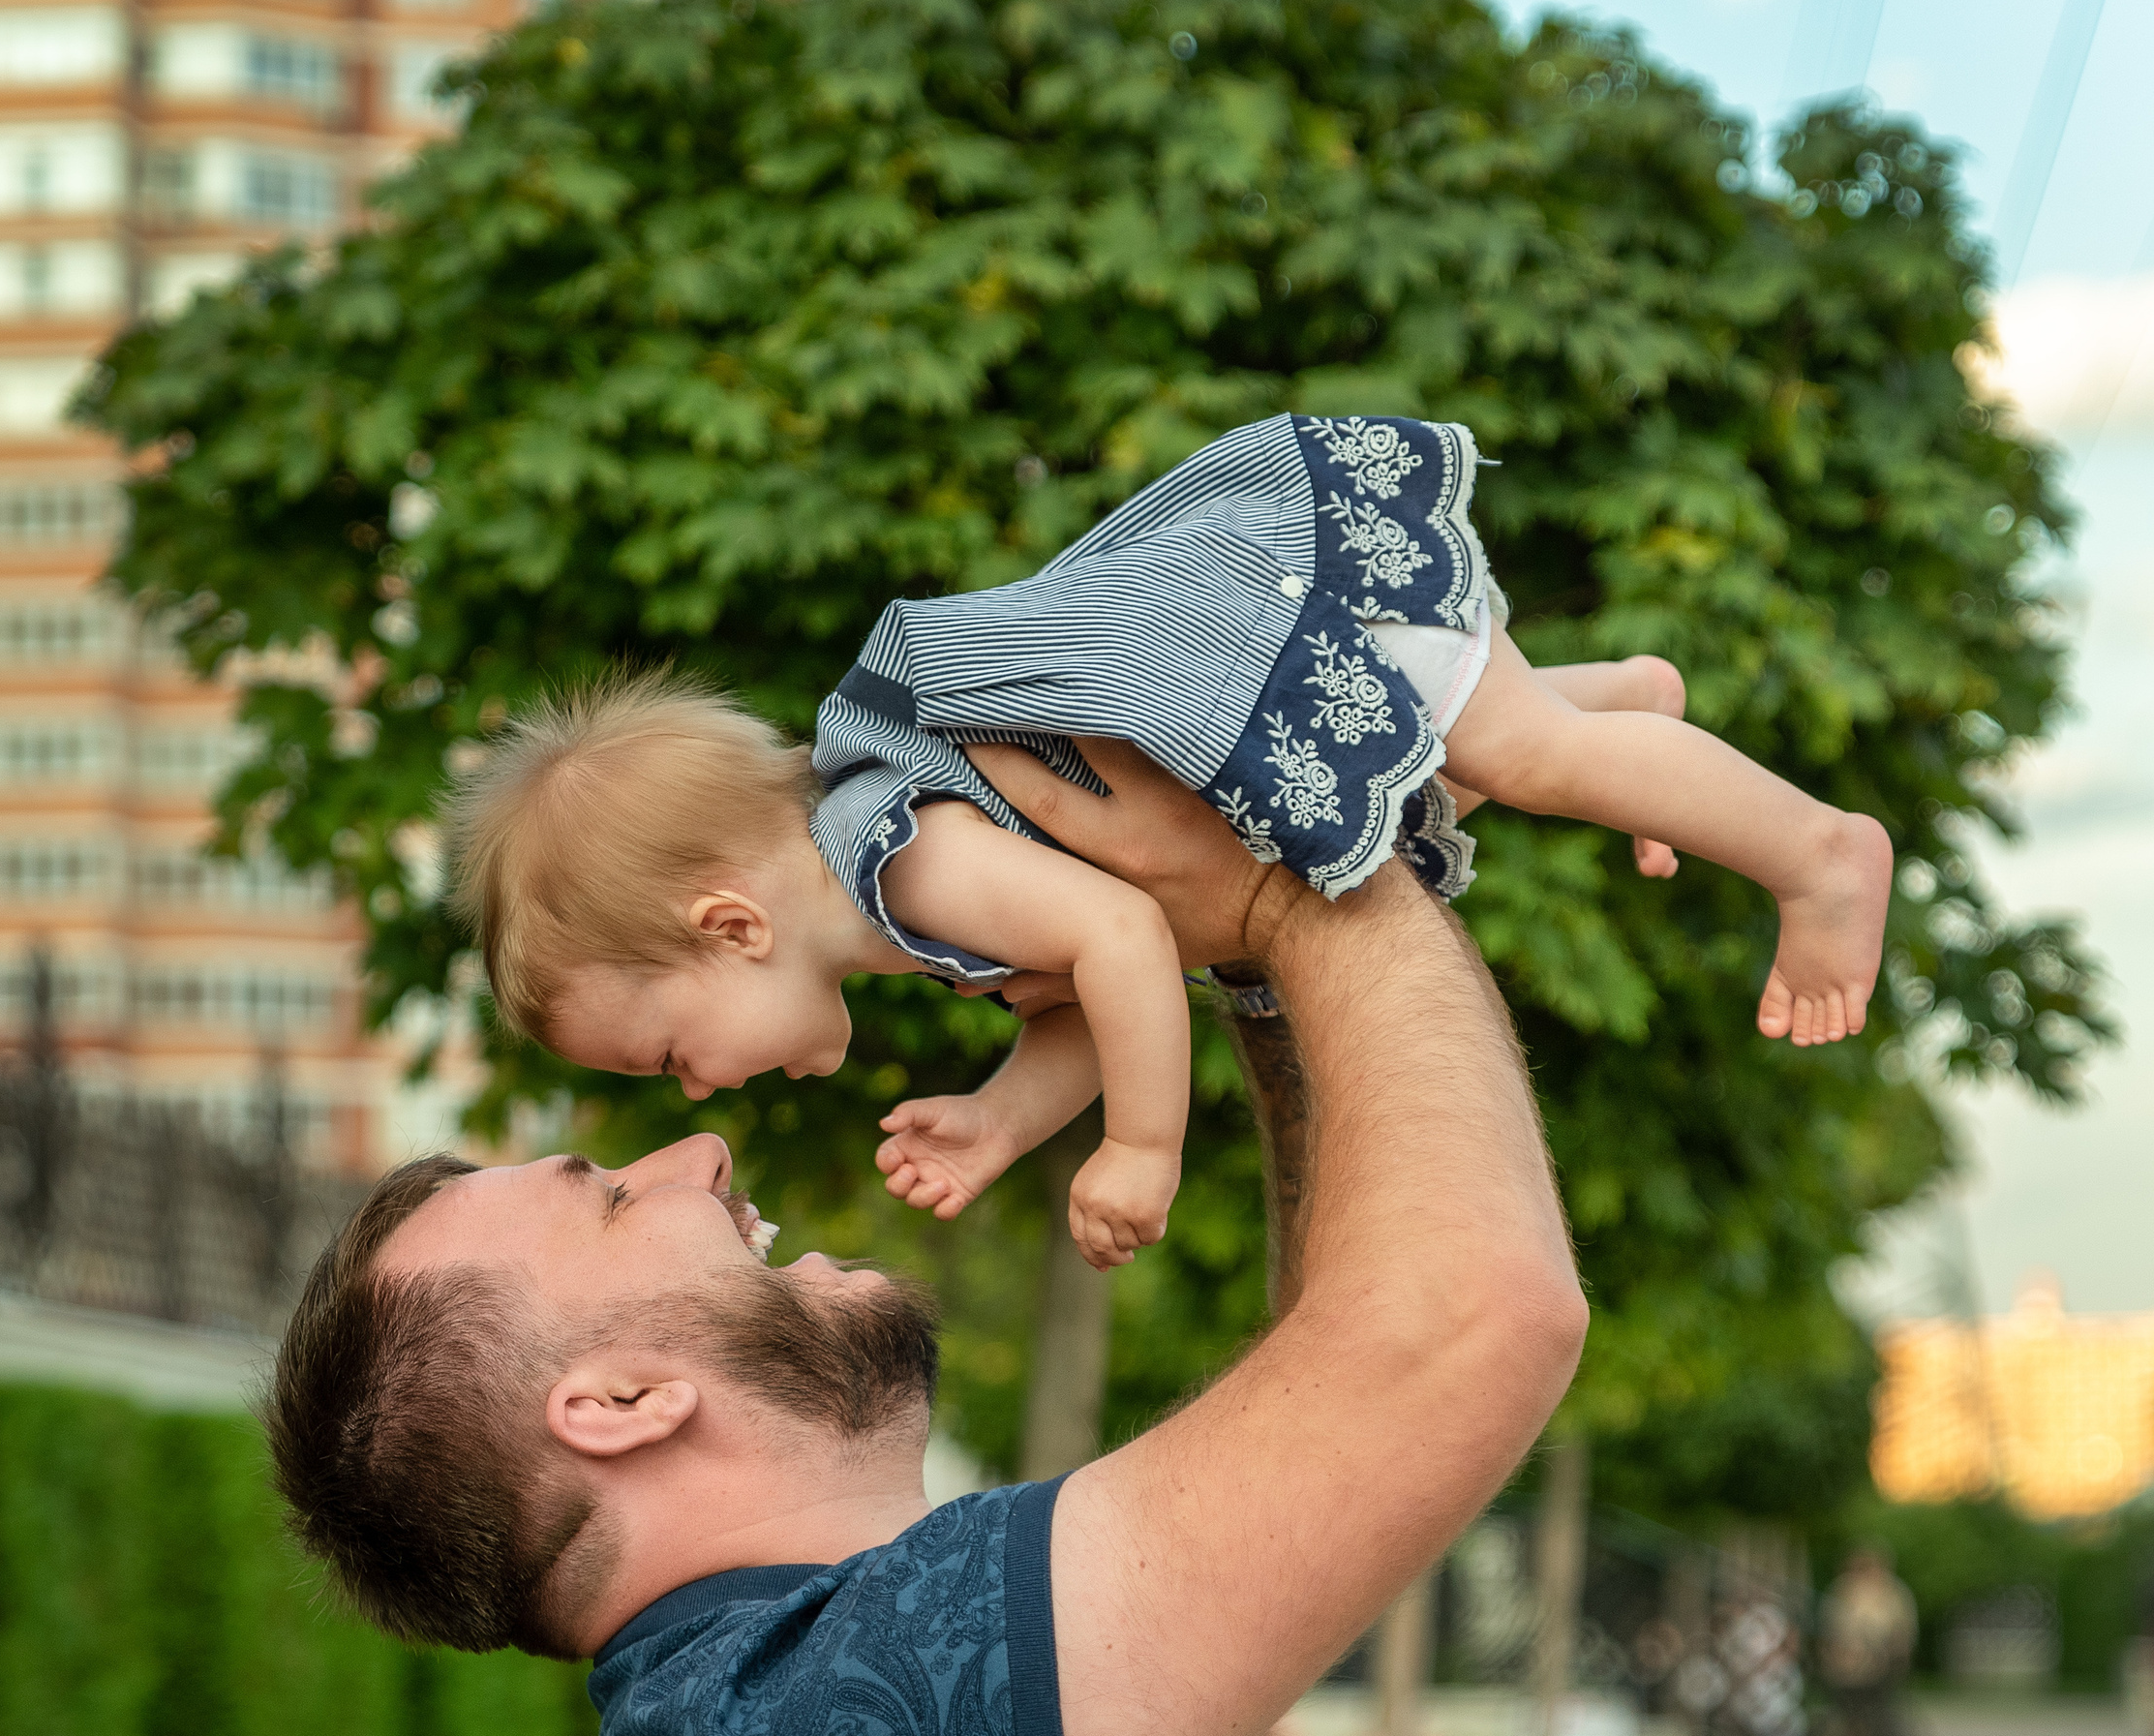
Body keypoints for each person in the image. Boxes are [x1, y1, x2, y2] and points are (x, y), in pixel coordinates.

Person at [266, 739, 1589, 1736]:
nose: (699, 1148)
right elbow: (1472, 1318)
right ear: (619, 1404)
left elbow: (1344, 1381)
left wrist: (1268, 979)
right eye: (617, 1196)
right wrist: (1309, 864)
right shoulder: (841, 1711)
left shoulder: (780, 1726)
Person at [450, 413, 1892, 1266]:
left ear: (729, 924)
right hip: (1253, 725)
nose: (694, 1085)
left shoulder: (898, 852)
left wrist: (1142, 1146)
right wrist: (1010, 1118)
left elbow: (1130, 936)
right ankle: (1632, 716)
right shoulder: (896, 906)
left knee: (1513, 754)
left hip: (1265, 608)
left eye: (663, 1052)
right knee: (1430, 779)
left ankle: (1819, 854)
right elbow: (1083, 991)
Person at [1820, 1542, 1927, 1736]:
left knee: (1882, 1733)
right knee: (1851, 1732)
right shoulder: (1842, 1592)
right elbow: (1831, 1636)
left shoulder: (1894, 1594)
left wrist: (1886, 1657)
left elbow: (1902, 1637)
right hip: (1848, 1679)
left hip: (1879, 1678)